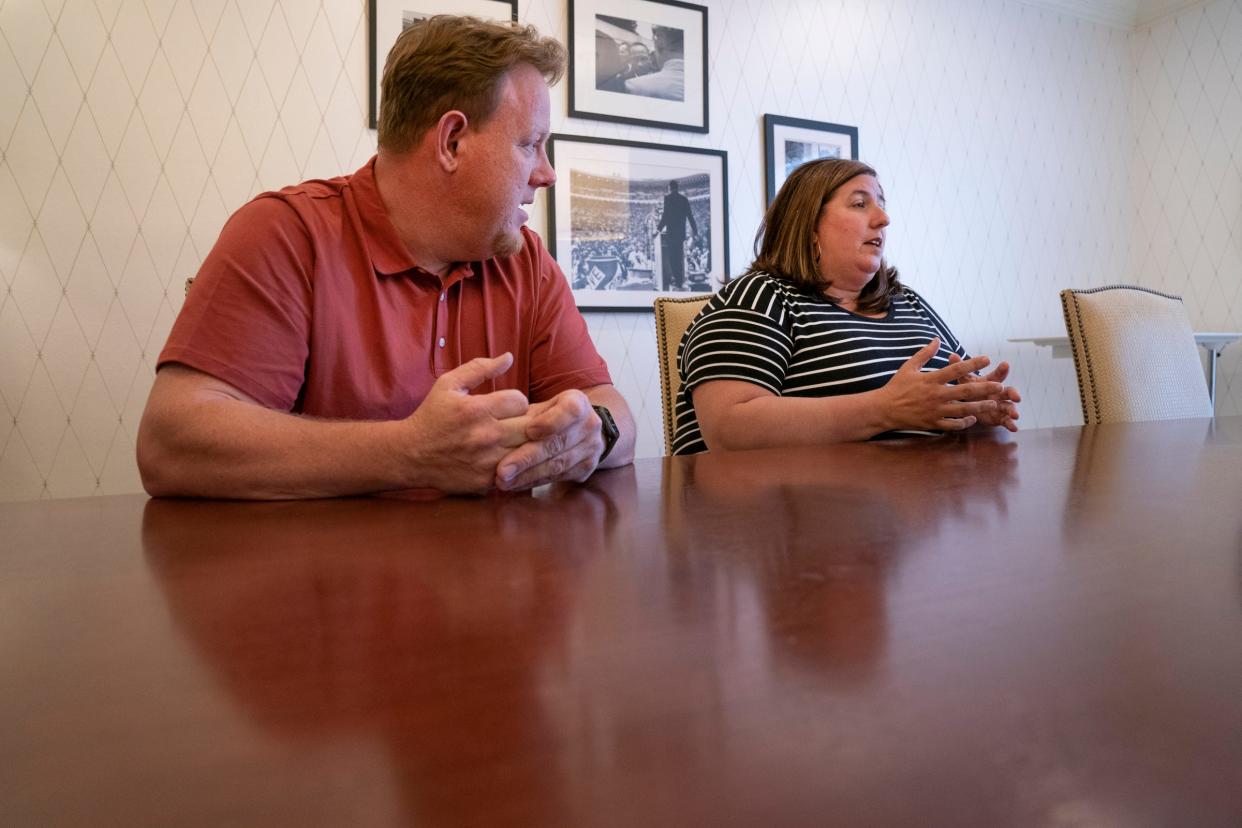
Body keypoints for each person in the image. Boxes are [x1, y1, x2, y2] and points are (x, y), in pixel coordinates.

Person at [137, 15, 635, 498]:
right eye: (531, 145)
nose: (547, 174)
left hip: (499, 576)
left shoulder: (524, 260)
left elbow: (613, 411)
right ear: (451, 141)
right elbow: (170, 444)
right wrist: (408, 452)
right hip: (320, 577)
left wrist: (597, 434)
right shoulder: (287, 234)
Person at [671, 157, 1020, 455]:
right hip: (782, 525)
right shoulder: (760, 296)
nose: (883, 218)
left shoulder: (908, 301)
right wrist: (886, 410)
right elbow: (729, 429)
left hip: (914, 511)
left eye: (881, 203)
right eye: (859, 203)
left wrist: (975, 410)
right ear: (808, 225)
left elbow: (940, 401)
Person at [654, 179, 698, 291]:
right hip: (680, 234)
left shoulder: (667, 199)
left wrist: (658, 230)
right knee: (679, 257)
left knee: (673, 258)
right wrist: (695, 231)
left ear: (669, 188)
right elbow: (690, 216)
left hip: (671, 234)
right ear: (677, 188)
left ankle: (677, 280)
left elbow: (665, 217)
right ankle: (679, 281)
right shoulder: (684, 199)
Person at [623, 25, 685, 101]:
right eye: (635, 59)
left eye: (643, 59)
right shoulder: (621, 81)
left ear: (661, 42)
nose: (640, 64)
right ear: (628, 59)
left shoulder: (633, 86)